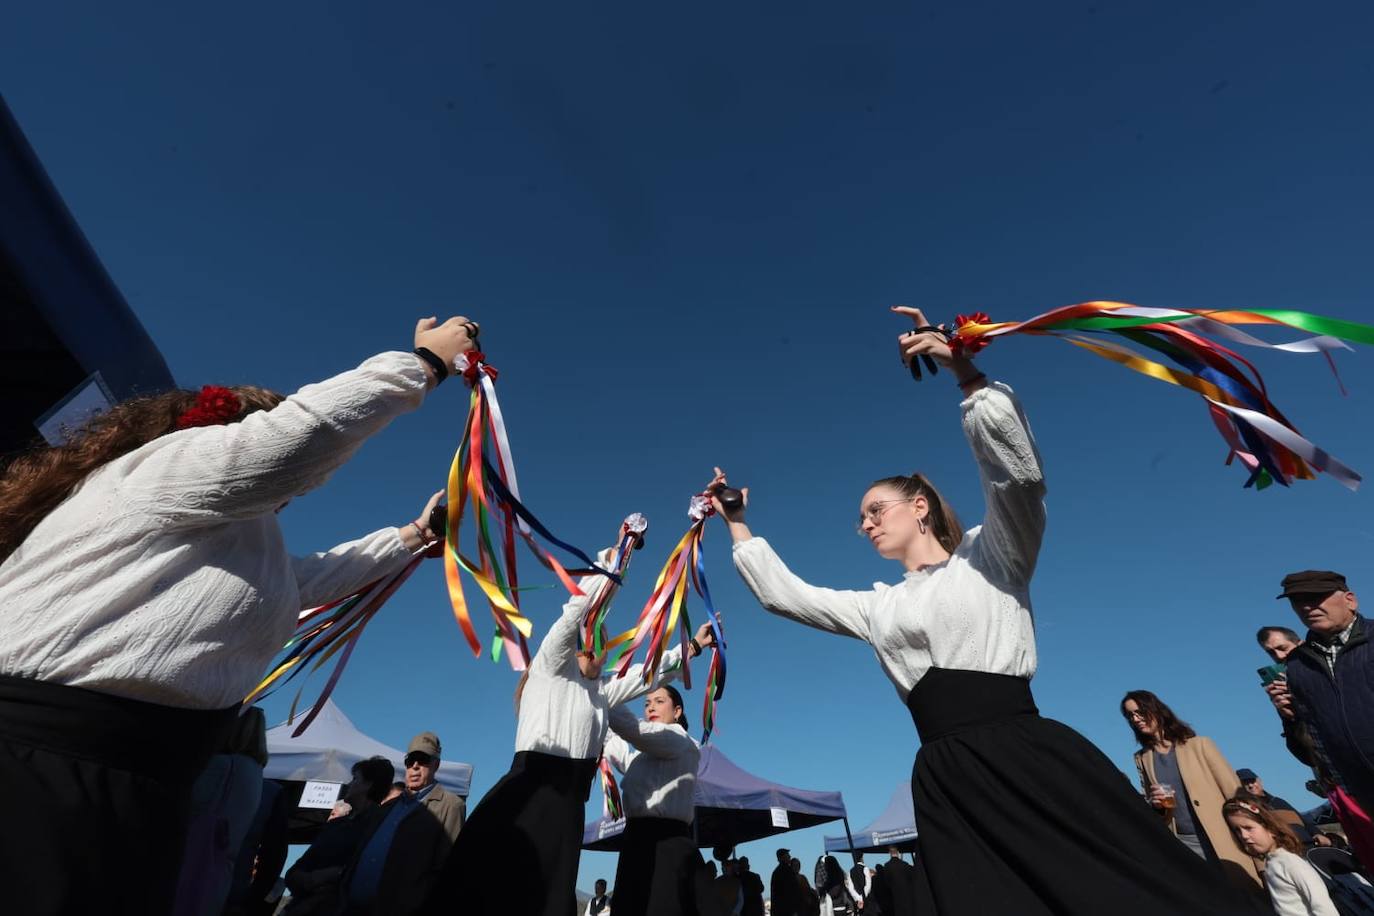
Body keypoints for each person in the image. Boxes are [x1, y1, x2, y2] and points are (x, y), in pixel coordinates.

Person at [714, 306, 1258, 915]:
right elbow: (784, 595)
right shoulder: (878, 605)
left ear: (919, 506)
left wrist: (967, 378)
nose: (863, 523)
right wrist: (737, 522)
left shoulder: (991, 554)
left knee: (1117, 893)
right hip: (945, 776)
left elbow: (1017, 480)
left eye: (876, 509)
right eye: (861, 516)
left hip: (1026, 754)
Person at [0, 314, 477, 914]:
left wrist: (411, 535)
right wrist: (423, 365)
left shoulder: (243, 544)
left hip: (130, 787)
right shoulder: (166, 466)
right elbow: (301, 435)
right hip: (36, 764)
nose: (296, 493)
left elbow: (307, 580)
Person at [428, 524, 715, 916]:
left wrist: (694, 647)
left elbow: (646, 673)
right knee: (497, 896)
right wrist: (616, 557)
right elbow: (574, 612)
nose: (598, 645)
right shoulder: (550, 668)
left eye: (603, 638)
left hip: (567, 807)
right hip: (531, 793)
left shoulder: (600, 692)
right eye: (591, 637)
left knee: (548, 899)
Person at [1122, 690, 1263, 892]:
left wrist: (1259, 854)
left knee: (1251, 895)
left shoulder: (1200, 745)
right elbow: (1158, 811)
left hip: (1222, 836)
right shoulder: (1143, 758)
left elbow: (1235, 794)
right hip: (1184, 843)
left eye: (1139, 712)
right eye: (1130, 716)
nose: (1136, 719)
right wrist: (1156, 804)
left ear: (1155, 709)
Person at [1276, 571, 1374, 816]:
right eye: (1298, 601)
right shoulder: (1297, 666)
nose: (1307, 606)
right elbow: (1310, 748)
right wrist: (1290, 719)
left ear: (1350, 600)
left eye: (1317, 597)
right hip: (1363, 793)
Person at [601, 685, 705, 916]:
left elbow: (635, 731)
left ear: (677, 711)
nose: (651, 707)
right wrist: (600, 710)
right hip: (637, 838)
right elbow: (623, 755)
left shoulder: (679, 739)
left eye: (659, 701)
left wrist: (601, 690)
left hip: (665, 841)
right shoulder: (645, 754)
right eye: (647, 703)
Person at [339, 731, 466, 915]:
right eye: (410, 760)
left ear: (436, 764)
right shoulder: (388, 805)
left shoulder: (450, 805)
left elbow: (447, 868)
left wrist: (413, 902)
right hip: (350, 907)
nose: (415, 766)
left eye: (422, 759)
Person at [284, 756, 395, 916]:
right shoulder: (335, 825)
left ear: (368, 785)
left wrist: (332, 875)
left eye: (355, 779)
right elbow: (295, 870)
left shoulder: (379, 828)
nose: (349, 785)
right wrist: (309, 878)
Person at [1223, 795, 1339, 916]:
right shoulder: (1272, 863)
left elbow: (1323, 907)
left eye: (1248, 828)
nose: (1244, 836)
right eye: (1237, 830)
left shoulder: (1290, 863)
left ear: (1270, 828)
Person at [1237, 768, 1324, 847]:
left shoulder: (1278, 801)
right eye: (1245, 783)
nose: (1251, 785)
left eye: (1252, 781)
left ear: (1260, 781)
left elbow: (1304, 821)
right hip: (1289, 850)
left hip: (1311, 845)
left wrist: (1318, 834)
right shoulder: (1249, 808)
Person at [770, 848, 801, 916]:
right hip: (789, 909)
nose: (790, 856)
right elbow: (792, 891)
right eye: (787, 855)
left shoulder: (776, 872)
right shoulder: (788, 871)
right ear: (782, 857)